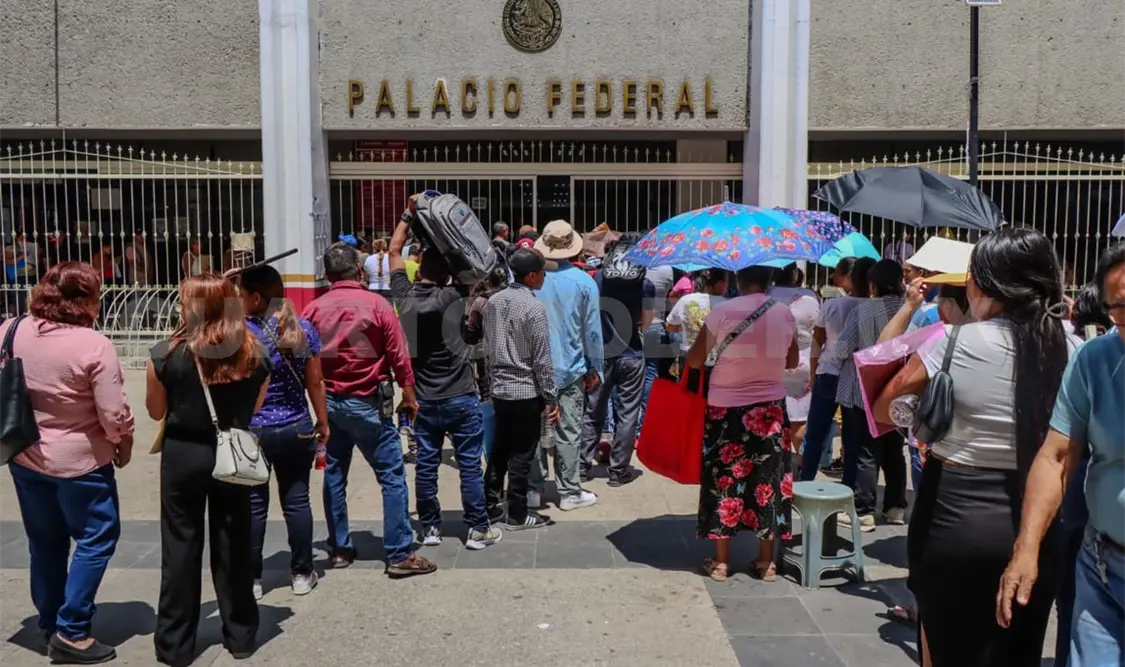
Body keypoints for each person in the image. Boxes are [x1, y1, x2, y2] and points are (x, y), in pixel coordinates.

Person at [874, 228, 1072, 667]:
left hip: (953, 515)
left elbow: (887, 407)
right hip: (1039, 523)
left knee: (946, 648)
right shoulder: (1073, 348)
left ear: (982, 285)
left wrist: (921, 417)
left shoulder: (950, 342)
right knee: (1019, 649)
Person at [997, 243, 1125, 667]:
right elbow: (1055, 456)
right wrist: (1026, 547)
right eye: (1121, 308)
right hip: (1103, 567)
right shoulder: (1095, 360)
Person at [1, 262, 134, 665]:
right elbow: (113, 414)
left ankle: (48, 622)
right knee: (97, 536)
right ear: (86, 301)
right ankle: (72, 630)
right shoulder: (93, 345)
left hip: (25, 454)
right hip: (80, 464)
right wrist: (123, 440)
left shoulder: (10, 329)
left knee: (45, 542)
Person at [146, 274, 272, 666]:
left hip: (184, 453)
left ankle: (175, 644)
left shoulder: (166, 353)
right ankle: (241, 635)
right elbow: (254, 408)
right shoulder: (255, 353)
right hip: (232, 452)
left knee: (180, 546)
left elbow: (155, 411)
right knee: (233, 542)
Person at [302, 242, 434, 576]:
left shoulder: (313, 310)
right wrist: (410, 395)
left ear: (327, 275)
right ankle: (399, 552)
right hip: (368, 404)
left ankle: (340, 549)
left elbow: (301, 359)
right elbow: (398, 354)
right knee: (391, 476)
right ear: (359, 271)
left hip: (329, 404)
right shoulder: (377, 305)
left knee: (333, 475)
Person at [388, 214, 503, 550]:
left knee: (426, 466)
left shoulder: (404, 298)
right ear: (449, 273)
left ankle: (431, 529)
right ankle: (477, 528)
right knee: (469, 464)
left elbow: (395, 249)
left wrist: (408, 217)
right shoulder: (455, 296)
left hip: (423, 398)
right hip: (461, 395)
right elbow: (474, 261)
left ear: (419, 270)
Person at [688, 266, 799, 582]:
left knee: (723, 480)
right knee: (767, 481)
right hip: (770, 409)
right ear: (769, 281)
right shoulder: (784, 313)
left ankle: (722, 563)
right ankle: (766, 563)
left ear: (739, 281)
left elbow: (696, 360)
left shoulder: (722, 311)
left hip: (726, 408)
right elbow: (791, 361)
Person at [238, 265, 330, 600]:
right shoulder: (301, 328)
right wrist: (323, 421)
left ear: (257, 297)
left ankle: (252, 579)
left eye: (242, 294)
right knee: (297, 501)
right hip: (296, 427)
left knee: (253, 505)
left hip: (253, 430)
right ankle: (302, 573)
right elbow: (316, 382)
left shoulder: (240, 333)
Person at [1040, 282, 1109, 667]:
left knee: (1068, 590)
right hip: (1085, 495)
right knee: (1075, 594)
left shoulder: (1070, 351)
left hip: (1070, 491)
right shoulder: (1091, 355)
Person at [529, 220, 603, 511]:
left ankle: (533, 489)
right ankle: (569, 491)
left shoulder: (531, 280)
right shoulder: (584, 282)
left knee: (534, 430)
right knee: (569, 430)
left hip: (534, 367)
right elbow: (592, 331)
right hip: (570, 367)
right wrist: (594, 366)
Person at [482, 248, 557, 530]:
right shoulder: (534, 307)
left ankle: (489, 506)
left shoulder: (494, 301)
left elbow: (487, 349)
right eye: (543, 272)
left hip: (500, 389)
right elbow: (542, 359)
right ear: (533, 275)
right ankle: (516, 513)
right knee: (522, 455)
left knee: (499, 450)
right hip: (526, 390)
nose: (545, 277)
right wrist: (550, 395)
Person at [834, 259, 908, 531]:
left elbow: (842, 349)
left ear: (872, 284)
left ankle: (864, 510)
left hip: (862, 390)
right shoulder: (911, 310)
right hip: (899, 389)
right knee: (894, 451)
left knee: (866, 450)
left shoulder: (863, 311)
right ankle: (895, 506)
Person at [581, 233, 653, 487]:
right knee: (628, 414)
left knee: (593, 411)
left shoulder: (599, 277)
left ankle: (582, 465)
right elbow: (647, 322)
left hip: (602, 354)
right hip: (632, 354)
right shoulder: (645, 282)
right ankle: (618, 471)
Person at [800, 258, 871, 481]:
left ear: (849, 275)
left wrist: (813, 373)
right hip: (857, 375)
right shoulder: (876, 309)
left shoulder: (832, 305)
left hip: (828, 372)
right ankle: (848, 486)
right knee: (852, 437)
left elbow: (817, 342)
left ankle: (806, 481)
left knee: (815, 433)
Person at [770, 263, 820, 456]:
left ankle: (776, 459)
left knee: (771, 416)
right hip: (804, 359)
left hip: (773, 360)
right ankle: (802, 463)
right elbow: (818, 326)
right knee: (799, 419)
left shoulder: (767, 294)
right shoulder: (809, 296)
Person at [666, 269, 728, 376]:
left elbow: (669, 326)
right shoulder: (727, 305)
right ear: (720, 284)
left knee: (685, 392)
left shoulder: (686, 300)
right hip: (715, 361)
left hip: (688, 357)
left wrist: (685, 327)